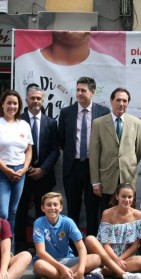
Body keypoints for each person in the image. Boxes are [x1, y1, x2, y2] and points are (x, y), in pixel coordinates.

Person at [59, 77, 110, 234]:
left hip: (93, 168)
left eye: (83, 90)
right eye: (78, 90)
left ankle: (92, 244)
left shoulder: (103, 112)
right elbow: (62, 139)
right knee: (72, 207)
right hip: (72, 166)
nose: (79, 93)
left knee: (92, 208)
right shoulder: (66, 112)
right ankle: (73, 247)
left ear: (93, 92)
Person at [16, 83, 60, 251]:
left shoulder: (51, 122)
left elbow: (55, 150)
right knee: (20, 210)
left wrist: (43, 169)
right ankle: (19, 245)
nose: (36, 101)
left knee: (45, 212)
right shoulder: (18, 120)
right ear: (26, 100)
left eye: (38, 98)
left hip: (44, 174)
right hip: (22, 174)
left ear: (43, 100)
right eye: (32, 98)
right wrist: (27, 168)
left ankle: (43, 245)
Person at [32, 192, 105, 279]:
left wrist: (81, 270)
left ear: (61, 207)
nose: (52, 208)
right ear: (43, 208)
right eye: (48, 205)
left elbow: (81, 248)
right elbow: (40, 252)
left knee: (96, 258)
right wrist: (62, 268)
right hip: (47, 262)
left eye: (55, 204)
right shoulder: (39, 223)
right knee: (39, 266)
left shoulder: (68, 222)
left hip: (67, 260)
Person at [0, 89, 33, 234]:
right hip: (0, 172)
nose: (12, 106)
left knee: (13, 212)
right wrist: (6, 169)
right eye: (9, 103)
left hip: (19, 172)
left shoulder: (24, 124)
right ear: (2, 104)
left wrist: (24, 169)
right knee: (2, 212)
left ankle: (9, 248)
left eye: (15, 103)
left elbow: (29, 150)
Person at [90, 87, 141, 212]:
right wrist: (95, 182)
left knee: (128, 216)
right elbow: (94, 154)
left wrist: (127, 162)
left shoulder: (136, 123)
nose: (121, 104)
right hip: (106, 180)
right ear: (111, 101)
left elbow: (139, 149)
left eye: (124, 101)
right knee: (107, 216)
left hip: (128, 178)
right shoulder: (98, 123)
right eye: (118, 100)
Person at [91, 183, 141, 279]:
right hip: (106, 256)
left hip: (125, 258)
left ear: (133, 198)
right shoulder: (107, 213)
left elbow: (135, 246)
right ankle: (121, 273)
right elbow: (105, 244)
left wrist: (119, 259)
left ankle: (104, 272)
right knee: (90, 240)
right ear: (117, 196)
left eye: (130, 197)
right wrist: (115, 259)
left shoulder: (138, 215)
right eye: (123, 196)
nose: (127, 200)